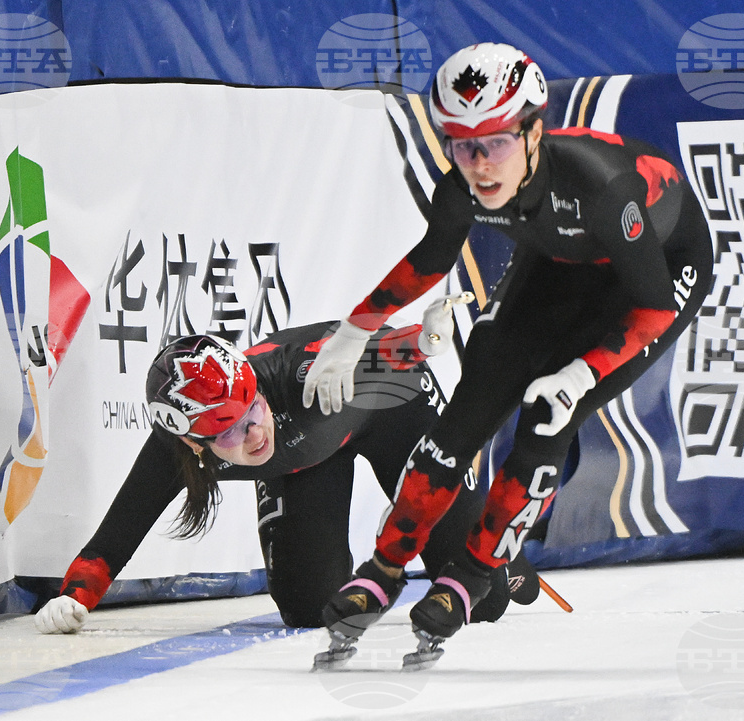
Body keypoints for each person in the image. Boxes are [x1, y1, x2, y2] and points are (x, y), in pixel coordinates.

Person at [304, 42, 714, 652]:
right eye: (461, 144)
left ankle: (470, 576)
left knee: (548, 415)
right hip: (559, 260)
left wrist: (582, 373)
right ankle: (383, 570)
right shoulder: (461, 187)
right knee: (464, 415)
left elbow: (651, 303)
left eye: (494, 141)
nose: (479, 164)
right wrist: (354, 330)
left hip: (657, 274)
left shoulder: (601, 186)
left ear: (533, 133)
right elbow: (429, 260)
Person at [34, 298, 536, 634]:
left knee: (484, 601)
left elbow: (379, 350)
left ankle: (498, 547)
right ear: (192, 444)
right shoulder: (173, 451)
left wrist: (423, 341)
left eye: (252, 407)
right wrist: (75, 599)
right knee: (309, 610)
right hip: (307, 460)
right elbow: (116, 534)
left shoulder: (296, 374)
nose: (255, 432)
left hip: (390, 405)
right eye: (228, 430)